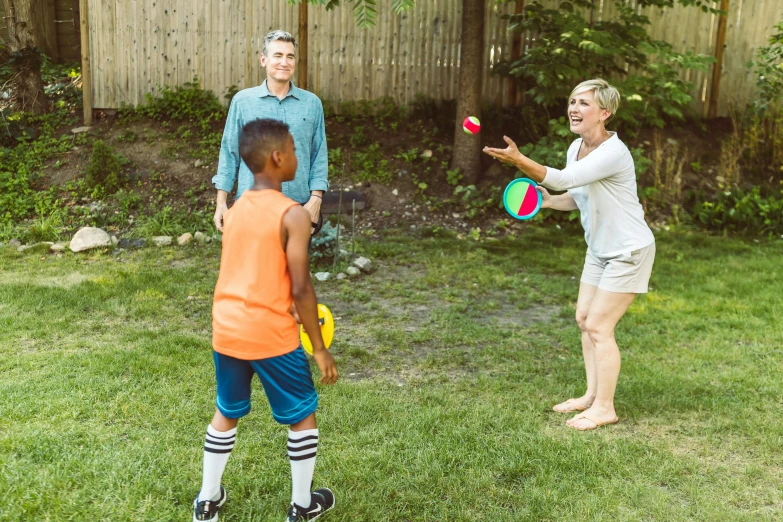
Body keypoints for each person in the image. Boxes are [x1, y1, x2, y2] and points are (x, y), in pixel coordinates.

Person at [483, 78, 655, 431]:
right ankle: (592, 396)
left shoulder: (613, 152)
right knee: (583, 319)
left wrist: (519, 160)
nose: (574, 109)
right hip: (600, 249)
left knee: (599, 325)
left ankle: (606, 407)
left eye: (584, 103)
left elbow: (561, 179)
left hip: (628, 249)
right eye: (572, 101)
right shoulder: (576, 147)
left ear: (604, 113)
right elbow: (574, 195)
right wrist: (544, 200)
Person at [193, 118, 338, 522]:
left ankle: (206, 501)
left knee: (227, 410)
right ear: (278, 158)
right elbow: (302, 288)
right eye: (293, 150)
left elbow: (251, 271)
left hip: (227, 330)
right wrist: (320, 348)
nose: (297, 156)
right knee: (302, 414)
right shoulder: (292, 215)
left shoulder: (236, 210)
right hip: (271, 336)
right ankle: (303, 505)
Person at [212, 30, 328, 234]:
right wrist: (221, 202)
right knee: (256, 266)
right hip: (252, 212)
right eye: (278, 55)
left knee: (294, 266)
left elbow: (319, 154)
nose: (285, 62)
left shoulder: (312, 104)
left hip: (298, 209)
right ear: (263, 59)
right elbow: (229, 152)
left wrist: (316, 199)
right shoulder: (243, 102)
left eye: (290, 56)